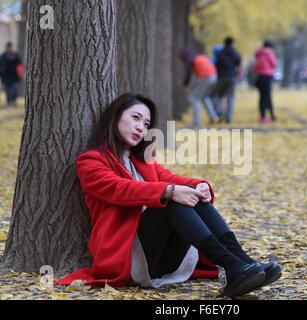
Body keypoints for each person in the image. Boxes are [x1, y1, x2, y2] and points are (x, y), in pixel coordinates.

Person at [55, 93, 282, 298]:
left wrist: (199, 186)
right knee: (172, 200)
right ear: (115, 117)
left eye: (145, 124)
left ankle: (243, 263)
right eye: (135, 118)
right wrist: (169, 191)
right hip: (127, 256)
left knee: (190, 195)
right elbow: (119, 188)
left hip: (162, 255)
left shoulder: (141, 161)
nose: (140, 129)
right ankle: (231, 266)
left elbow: (170, 178)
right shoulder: (91, 161)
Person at [180, 47, 220, 128]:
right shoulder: (201, 57)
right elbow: (198, 76)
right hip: (214, 77)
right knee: (204, 97)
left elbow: (189, 74)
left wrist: (185, 84)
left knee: (195, 98)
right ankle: (213, 117)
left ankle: (196, 122)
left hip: (206, 77)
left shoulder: (192, 60)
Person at [211, 37, 241, 124]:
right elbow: (238, 63)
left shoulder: (220, 53)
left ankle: (220, 111)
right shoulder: (235, 53)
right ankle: (229, 117)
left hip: (222, 77)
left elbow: (216, 64)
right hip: (232, 77)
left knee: (217, 95)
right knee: (230, 97)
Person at [254, 40, 278, 124]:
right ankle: (268, 116)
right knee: (267, 96)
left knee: (262, 97)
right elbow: (274, 64)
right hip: (267, 77)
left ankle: (265, 116)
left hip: (260, 77)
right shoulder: (269, 53)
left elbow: (255, 66)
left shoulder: (258, 54)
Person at [0, 42, 22, 107]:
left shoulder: (15, 55)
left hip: (13, 76)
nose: (8, 48)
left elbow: (19, 64)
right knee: (7, 89)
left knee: (13, 88)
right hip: (5, 76)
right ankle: (9, 102)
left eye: (9, 47)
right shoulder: (2, 56)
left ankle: (13, 101)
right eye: (7, 47)